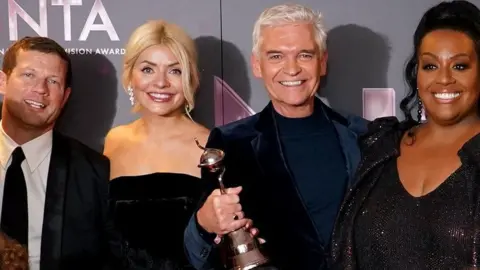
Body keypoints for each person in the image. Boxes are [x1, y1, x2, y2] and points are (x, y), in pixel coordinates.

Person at [184, 3, 368, 270]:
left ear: (322, 62)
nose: (291, 69)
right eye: (276, 56)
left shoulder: (364, 136)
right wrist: (203, 224)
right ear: (257, 65)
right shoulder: (230, 144)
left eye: (304, 55)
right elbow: (200, 257)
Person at [330, 1, 480, 269]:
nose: (443, 79)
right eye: (430, 66)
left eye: (459, 66)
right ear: (417, 73)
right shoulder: (382, 148)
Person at [0, 36, 120, 270]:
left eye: (53, 81)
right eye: (28, 75)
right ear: (3, 81)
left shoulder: (95, 174)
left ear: (64, 97)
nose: (40, 89)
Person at [103, 20, 209, 269]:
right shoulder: (114, 141)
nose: (160, 83)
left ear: (191, 78)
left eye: (175, 71)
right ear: (130, 75)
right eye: (148, 70)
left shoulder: (210, 145)